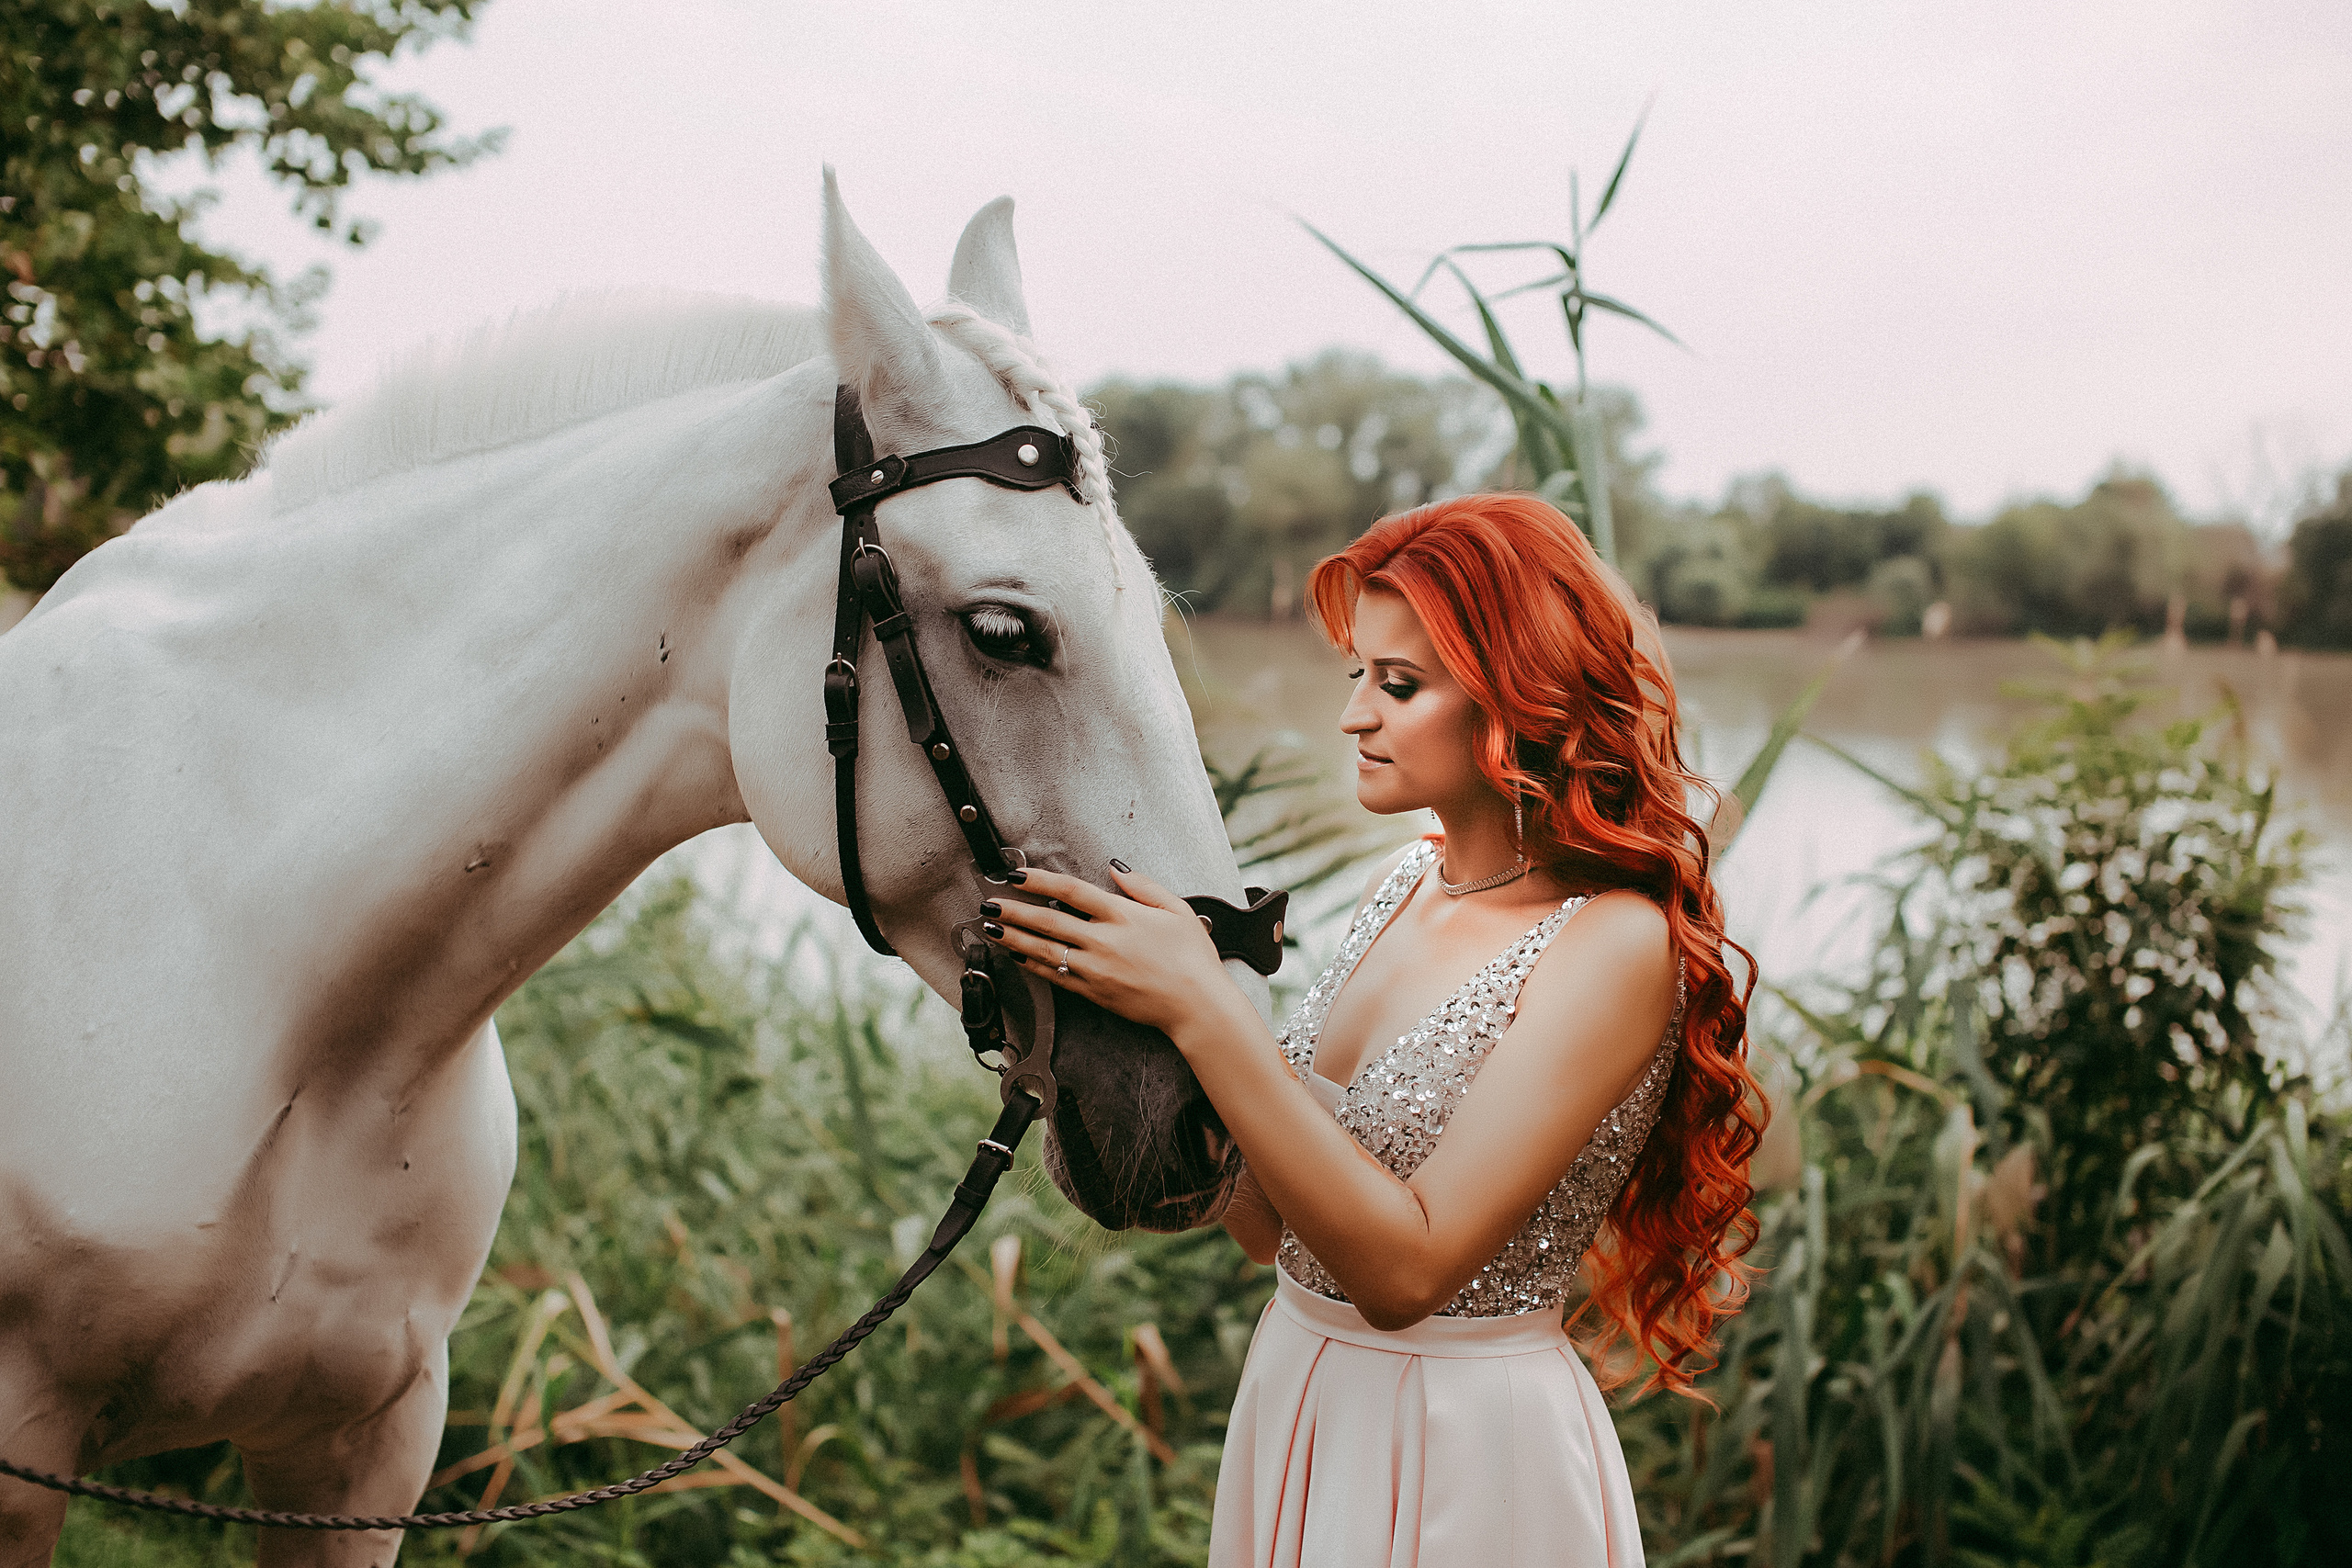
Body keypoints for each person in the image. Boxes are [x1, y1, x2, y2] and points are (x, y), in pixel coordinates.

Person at [980, 493, 1763, 1566]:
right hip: (1301, 1393)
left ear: (1521, 696)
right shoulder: (1401, 885)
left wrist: (1206, 1010)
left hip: (1469, 1449)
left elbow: (1404, 1278)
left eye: (1399, 685)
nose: (1355, 715)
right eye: (1358, 674)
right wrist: (1126, 1012)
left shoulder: (1615, 946)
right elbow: (1277, 1236)